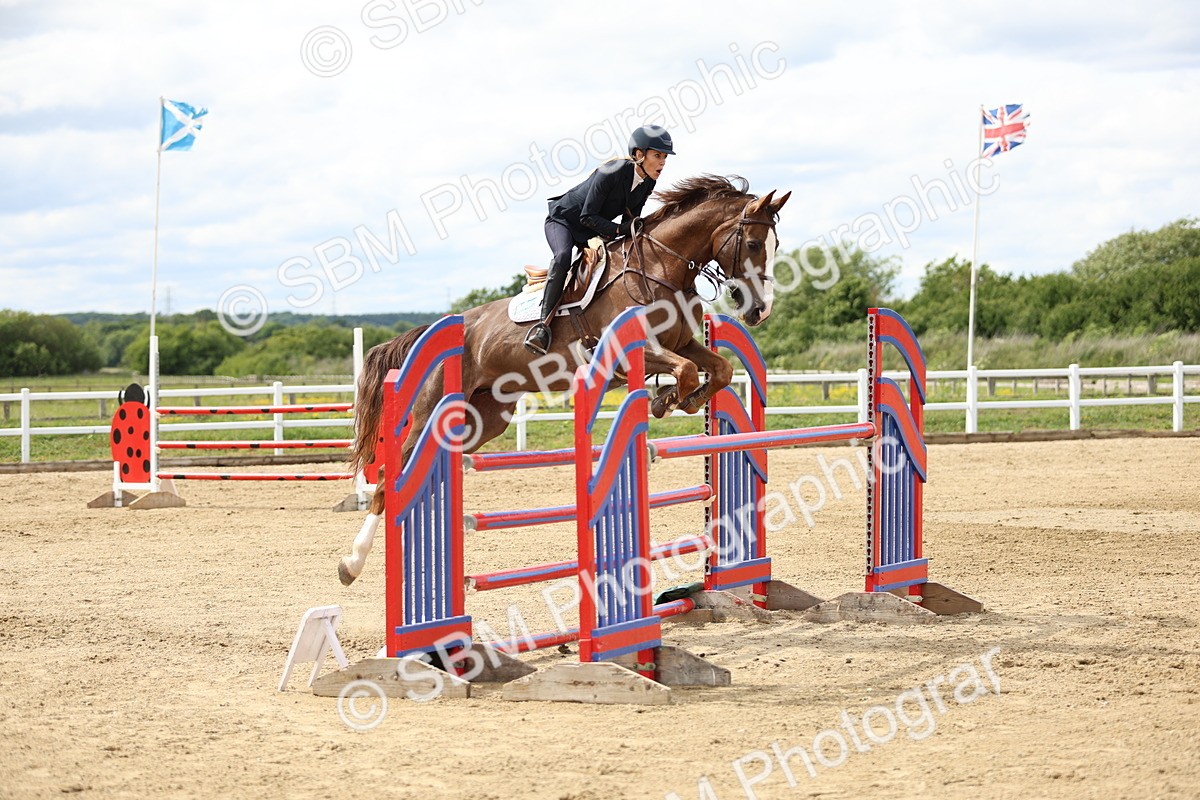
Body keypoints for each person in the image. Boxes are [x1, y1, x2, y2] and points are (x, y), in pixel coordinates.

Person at [523, 124, 675, 354]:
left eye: (665, 157)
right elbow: (587, 216)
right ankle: (541, 327)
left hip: (593, 230)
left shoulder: (648, 182)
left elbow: (631, 219)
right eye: (657, 155)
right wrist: (618, 230)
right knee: (563, 255)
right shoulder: (611, 171)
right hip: (564, 221)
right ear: (639, 154)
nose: (663, 162)